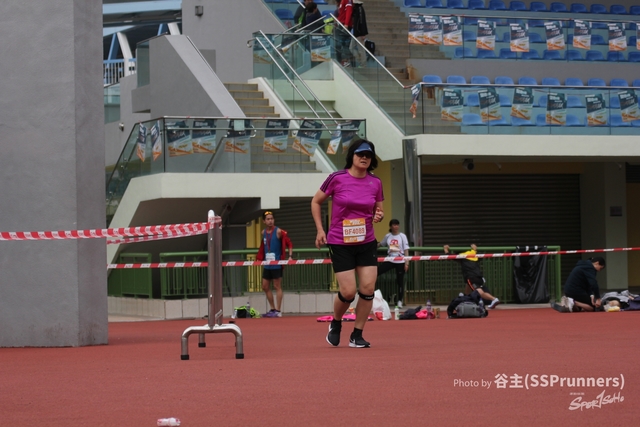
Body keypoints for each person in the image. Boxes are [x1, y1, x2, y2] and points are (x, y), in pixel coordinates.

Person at [311, 139, 384, 348]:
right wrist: (320, 230)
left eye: (368, 155)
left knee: (368, 288)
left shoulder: (375, 182)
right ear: (352, 156)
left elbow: (379, 210)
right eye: (360, 154)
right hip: (340, 242)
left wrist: (378, 216)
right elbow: (315, 201)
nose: (364, 158)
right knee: (349, 292)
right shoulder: (337, 178)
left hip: (366, 241)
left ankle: (357, 335)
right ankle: (336, 322)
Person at [255, 211, 293, 318]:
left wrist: (290, 256)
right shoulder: (263, 232)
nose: (270, 221)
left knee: (277, 286)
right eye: (268, 219)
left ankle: (278, 310)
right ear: (264, 221)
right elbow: (263, 246)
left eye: (271, 219)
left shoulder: (279, 231)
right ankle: (272, 308)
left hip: (277, 263)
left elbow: (289, 243)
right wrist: (259, 257)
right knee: (265, 286)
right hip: (267, 263)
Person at [443, 244, 501, 309]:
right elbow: (477, 254)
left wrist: (446, 249)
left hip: (471, 277)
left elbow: (449, 256)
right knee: (468, 284)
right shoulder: (474, 254)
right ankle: (465, 298)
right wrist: (474, 249)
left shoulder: (462, 256)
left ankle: (494, 299)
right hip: (479, 277)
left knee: (479, 292)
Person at [377, 219, 410, 308]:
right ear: (391, 226)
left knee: (400, 281)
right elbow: (381, 244)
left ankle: (400, 300)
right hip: (390, 259)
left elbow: (406, 250)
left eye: (397, 225)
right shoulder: (388, 236)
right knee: (376, 272)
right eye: (394, 225)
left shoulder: (402, 236)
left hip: (400, 260)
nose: (396, 227)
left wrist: (407, 263)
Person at [350, 0, 368, 67]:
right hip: (355, 32)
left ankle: (363, 65)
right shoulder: (355, 9)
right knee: (351, 48)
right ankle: (360, 61)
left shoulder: (360, 9)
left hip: (359, 33)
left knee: (361, 50)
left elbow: (362, 21)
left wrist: (363, 33)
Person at [335, 0, 354, 66]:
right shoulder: (342, 1)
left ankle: (346, 60)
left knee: (343, 44)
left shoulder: (347, 0)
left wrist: (346, 24)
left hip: (344, 25)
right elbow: (341, 13)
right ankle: (342, 60)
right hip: (341, 24)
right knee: (339, 44)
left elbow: (349, 11)